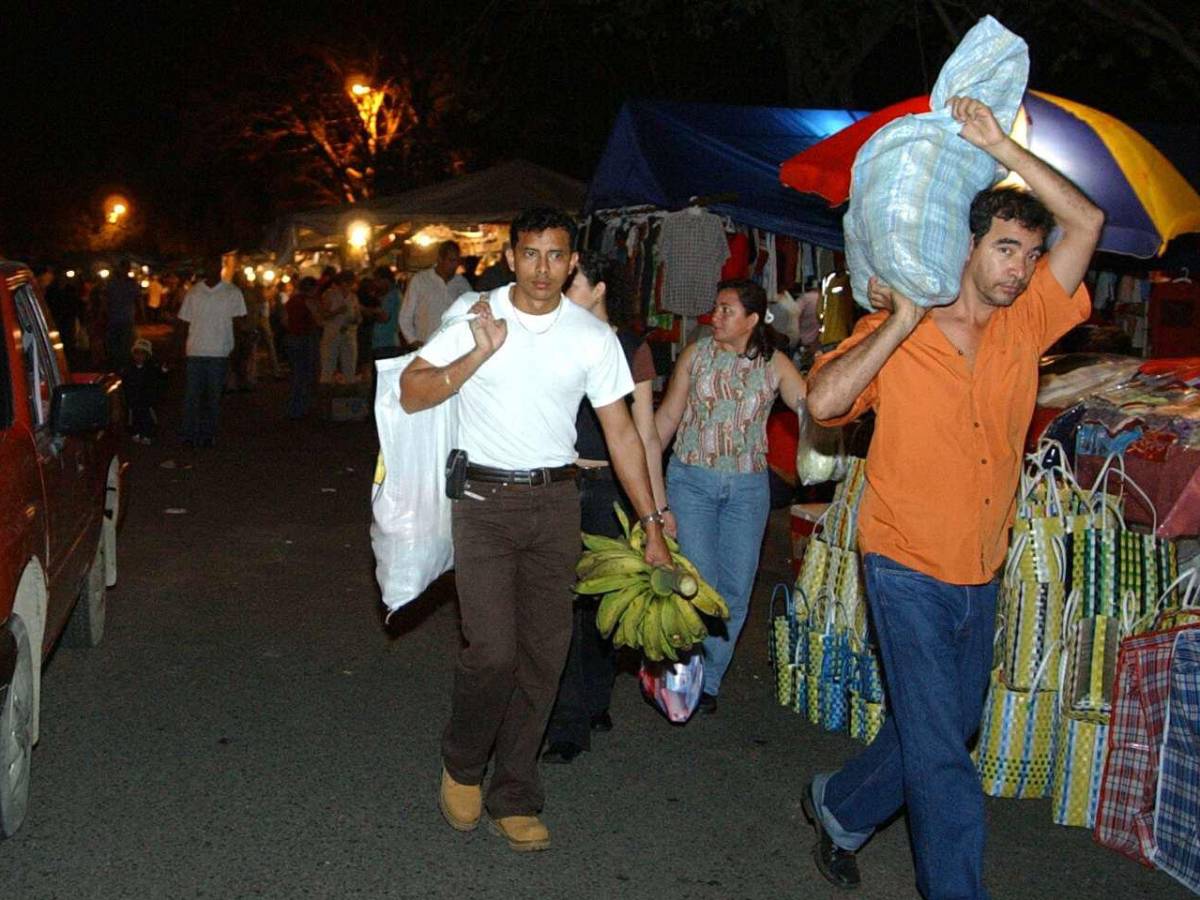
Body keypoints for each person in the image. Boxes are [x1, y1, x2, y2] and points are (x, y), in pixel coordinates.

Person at [801, 96, 1103, 898]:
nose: (1019, 268)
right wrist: (896, 325)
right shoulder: (901, 326)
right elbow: (824, 406)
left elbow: (1090, 223)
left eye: (1029, 255)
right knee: (943, 757)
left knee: (943, 727)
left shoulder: (1028, 319)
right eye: (1005, 248)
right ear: (965, 245)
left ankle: (839, 805)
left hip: (982, 566)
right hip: (903, 564)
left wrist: (1003, 146)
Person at [400, 207, 671, 853]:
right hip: (483, 500)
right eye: (530, 254)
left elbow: (623, 435)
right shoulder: (475, 314)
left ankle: (515, 791)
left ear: (572, 261)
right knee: (491, 651)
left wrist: (653, 523)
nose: (542, 269)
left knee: (545, 656)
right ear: (510, 257)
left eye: (555, 256)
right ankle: (464, 763)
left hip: (556, 505)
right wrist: (476, 354)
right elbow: (412, 390)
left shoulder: (590, 337)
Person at [542, 252, 673, 765]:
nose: (560, 287)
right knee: (563, 607)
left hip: (610, 490)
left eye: (572, 281)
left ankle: (594, 699)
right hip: (558, 485)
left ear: (598, 289)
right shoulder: (553, 338)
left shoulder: (630, 347)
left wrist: (658, 511)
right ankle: (568, 723)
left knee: (603, 606)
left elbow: (645, 434)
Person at [654, 279, 806, 714]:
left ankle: (711, 679)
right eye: (716, 308)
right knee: (699, 584)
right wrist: (644, 478)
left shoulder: (775, 364)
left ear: (752, 320)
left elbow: (809, 404)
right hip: (692, 481)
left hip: (746, 488)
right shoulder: (695, 355)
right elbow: (667, 419)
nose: (716, 317)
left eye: (726, 310)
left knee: (737, 590)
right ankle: (686, 668)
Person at [178, 256, 247, 447]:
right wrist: (181, 350)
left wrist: (237, 350)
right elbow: (184, 322)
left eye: (214, 265)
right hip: (196, 350)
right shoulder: (194, 292)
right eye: (207, 265)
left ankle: (208, 434)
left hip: (220, 351)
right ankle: (189, 434)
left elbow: (238, 322)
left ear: (220, 267)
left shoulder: (232, 292)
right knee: (192, 396)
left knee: (213, 396)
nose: (211, 268)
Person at [398, 241, 461, 346]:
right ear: (440, 259)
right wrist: (413, 341)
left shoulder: (462, 283)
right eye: (451, 260)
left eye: (457, 261)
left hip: (454, 348)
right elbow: (405, 316)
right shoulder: (421, 280)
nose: (455, 265)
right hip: (426, 348)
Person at [282, 276, 322, 419]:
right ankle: (302, 407)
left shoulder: (292, 300)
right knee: (306, 374)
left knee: (296, 373)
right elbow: (318, 320)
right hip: (305, 337)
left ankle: (295, 407)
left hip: (292, 337)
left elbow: (284, 320)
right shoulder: (309, 301)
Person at [317, 270, 361, 383]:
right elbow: (323, 315)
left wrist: (355, 319)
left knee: (350, 366)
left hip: (349, 334)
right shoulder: (330, 295)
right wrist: (337, 311)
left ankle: (347, 394)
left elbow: (358, 317)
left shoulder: (353, 297)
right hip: (332, 334)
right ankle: (327, 393)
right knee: (328, 366)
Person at [122, 337, 167, 444]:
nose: (139, 356)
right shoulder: (129, 369)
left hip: (147, 400)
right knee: (134, 417)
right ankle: (135, 433)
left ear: (147, 356)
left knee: (147, 418)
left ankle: (148, 434)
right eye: (137, 353)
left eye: (142, 354)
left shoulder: (151, 369)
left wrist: (164, 371)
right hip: (133, 399)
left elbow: (160, 377)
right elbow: (125, 382)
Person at [105, 260, 141, 372]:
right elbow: (106, 300)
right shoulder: (113, 283)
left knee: (124, 344)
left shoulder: (128, 283)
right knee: (118, 344)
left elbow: (138, 299)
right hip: (117, 317)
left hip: (123, 317)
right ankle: (118, 365)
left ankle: (121, 366)